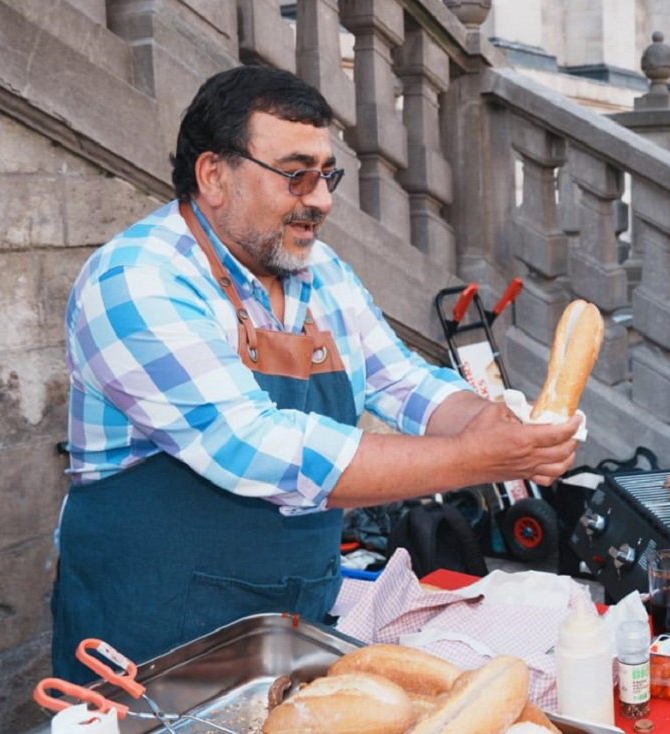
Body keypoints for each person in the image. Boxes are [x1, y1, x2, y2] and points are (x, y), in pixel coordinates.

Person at [52, 66, 580, 681]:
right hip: (152, 641)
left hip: (291, 621)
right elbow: (256, 449)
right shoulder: (138, 279)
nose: (323, 200)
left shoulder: (320, 271)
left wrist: (489, 420)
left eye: (327, 175)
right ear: (214, 176)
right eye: (295, 174)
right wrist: (479, 459)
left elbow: (401, 380)